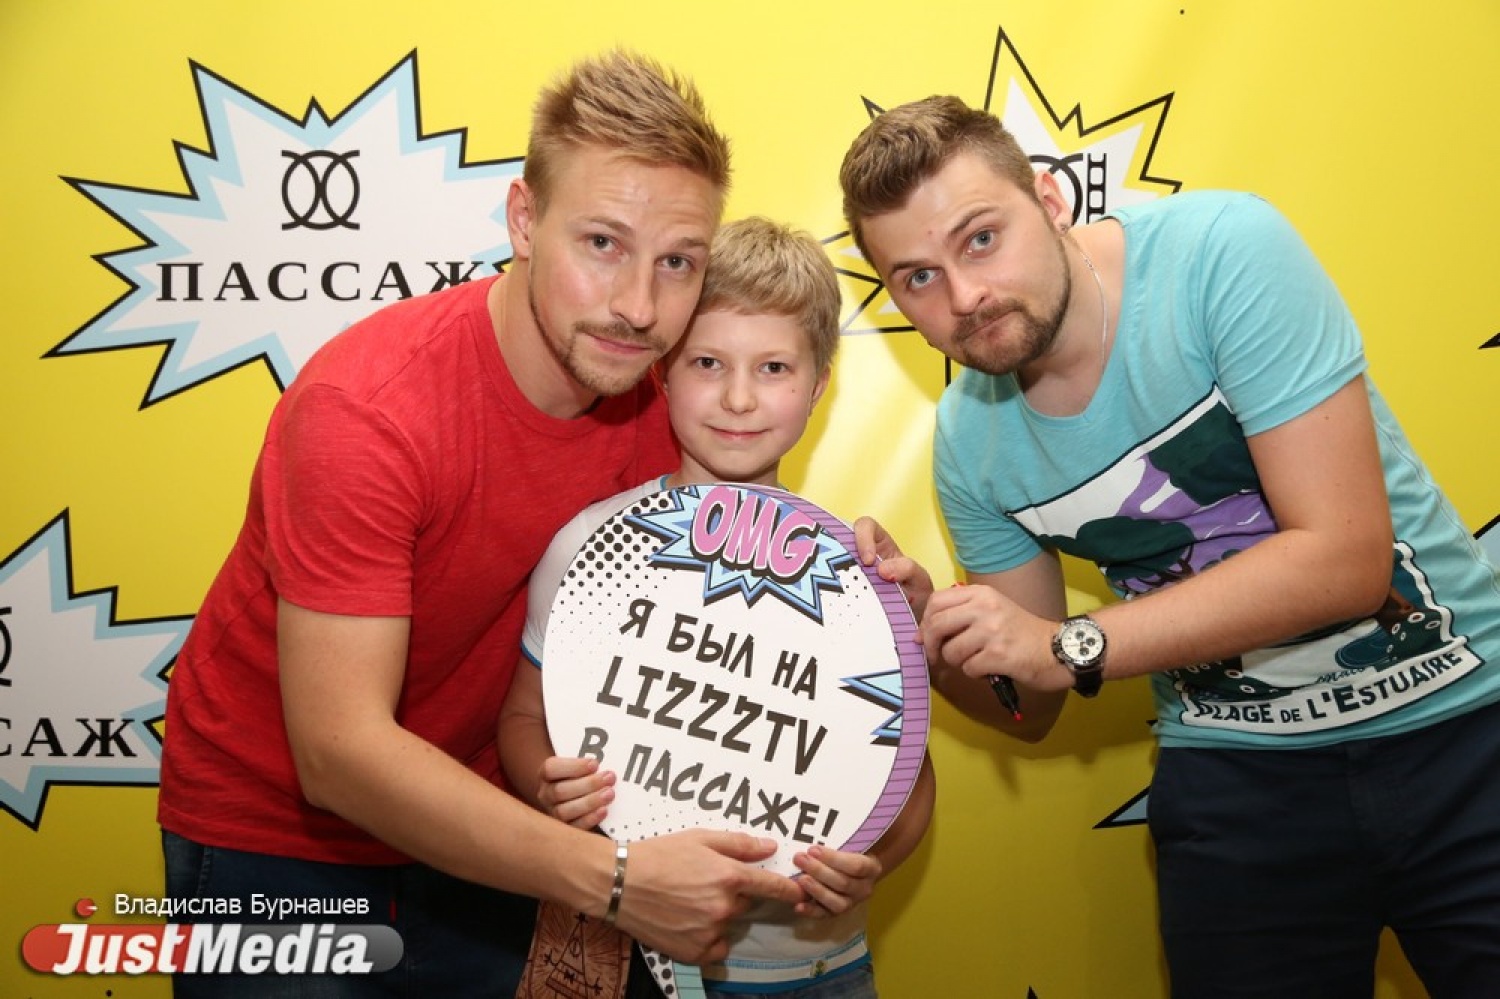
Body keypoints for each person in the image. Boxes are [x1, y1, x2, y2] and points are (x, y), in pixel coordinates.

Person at [155, 51, 807, 997]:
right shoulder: (368, 411)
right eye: (602, 243)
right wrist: (616, 880)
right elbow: (337, 751)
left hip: (496, 815)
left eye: (677, 262)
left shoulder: (665, 394)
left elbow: (756, 563)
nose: (638, 305)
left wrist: (870, 581)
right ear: (524, 221)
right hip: (282, 838)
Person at [839, 95, 1500, 997]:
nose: (964, 297)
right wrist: (925, 628)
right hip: (1240, 780)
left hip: (1464, 724)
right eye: (917, 276)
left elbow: (1348, 561)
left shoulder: (1220, 251)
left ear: (1050, 200)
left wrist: (1067, 644)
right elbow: (1030, 706)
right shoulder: (969, 442)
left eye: (981, 238)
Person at [499, 216, 937, 999]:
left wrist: (871, 860)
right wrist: (548, 784)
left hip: (810, 969)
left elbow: (905, 774)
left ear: (818, 385)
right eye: (708, 362)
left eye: (773, 367)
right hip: (621, 955)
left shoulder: (857, 579)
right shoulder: (594, 548)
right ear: (664, 372)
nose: (738, 397)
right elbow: (525, 716)